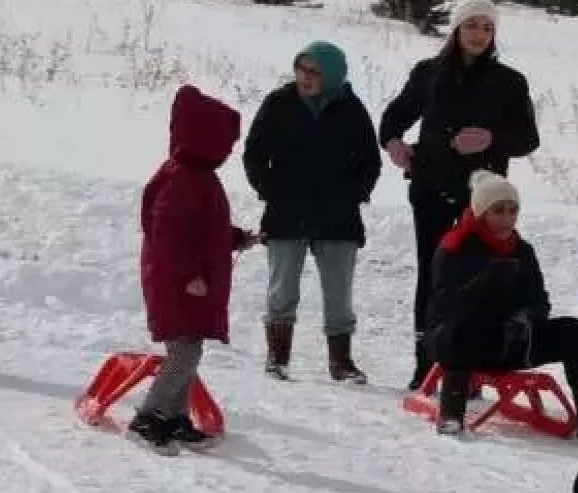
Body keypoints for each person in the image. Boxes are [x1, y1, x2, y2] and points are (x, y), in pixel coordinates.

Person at [379, 0, 541, 391]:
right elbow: (393, 118)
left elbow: (528, 138)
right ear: (456, 29)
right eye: (472, 26)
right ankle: (426, 363)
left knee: (483, 277)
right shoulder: (429, 74)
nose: (479, 35)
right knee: (433, 276)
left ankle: (470, 367)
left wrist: (491, 138)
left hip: (484, 200)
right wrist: (395, 144)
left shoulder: (509, 82)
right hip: (431, 187)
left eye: (487, 28)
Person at [130, 85, 259, 455]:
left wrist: (238, 238)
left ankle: (174, 418)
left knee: (190, 351)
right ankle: (150, 416)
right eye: (226, 143)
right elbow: (168, 232)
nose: (229, 151)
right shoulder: (181, 177)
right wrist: (189, 275)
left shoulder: (198, 177)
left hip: (190, 285)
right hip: (177, 284)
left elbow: (207, 230)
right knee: (183, 353)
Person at [243, 41, 382, 384]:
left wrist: (349, 195)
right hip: (286, 213)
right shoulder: (279, 104)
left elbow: (370, 163)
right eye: (300, 69)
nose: (305, 77)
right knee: (281, 289)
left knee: (339, 293)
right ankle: (278, 357)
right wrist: (272, 190)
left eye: (314, 71)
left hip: (338, 218)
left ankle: (341, 362)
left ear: (333, 75)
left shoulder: (351, 108)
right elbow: (254, 154)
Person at [424, 171, 578, 436]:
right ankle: (451, 414)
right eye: (498, 211)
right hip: (464, 340)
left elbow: (540, 301)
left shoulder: (522, 250)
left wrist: (526, 318)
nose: (507, 219)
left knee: (573, 330)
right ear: (481, 212)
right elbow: (445, 305)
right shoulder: (455, 247)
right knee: (457, 332)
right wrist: (484, 282)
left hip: (512, 340)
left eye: (513, 211)